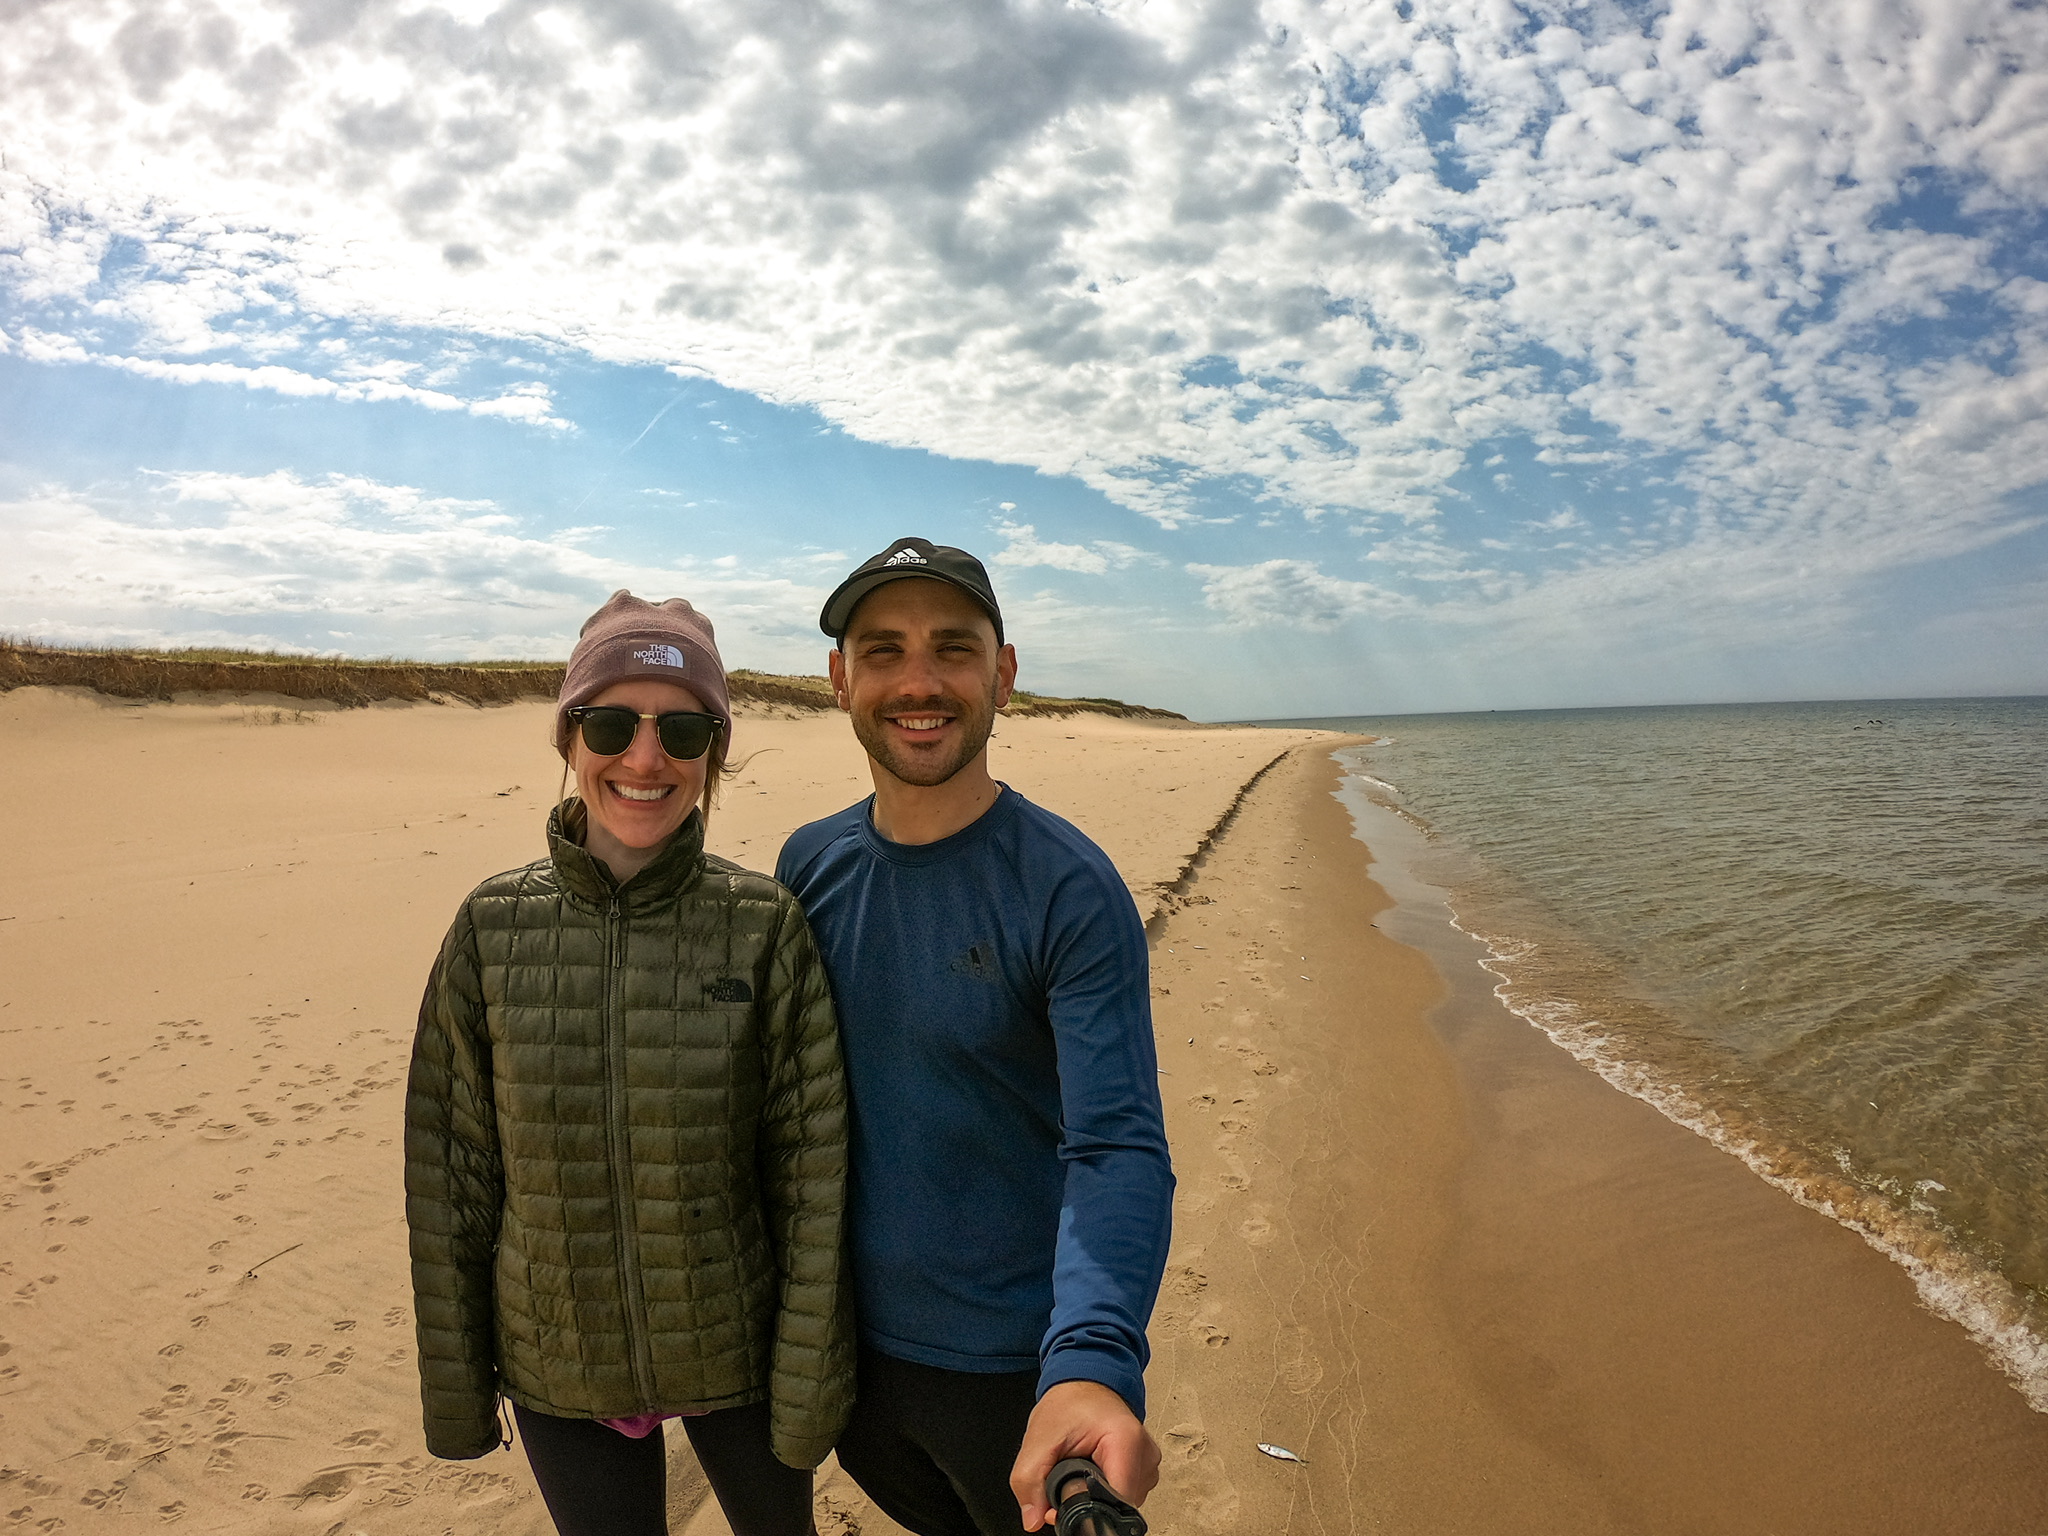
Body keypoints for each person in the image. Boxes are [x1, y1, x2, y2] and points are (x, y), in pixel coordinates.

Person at [405, 590, 852, 1536]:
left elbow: (812, 1183)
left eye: (683, 731)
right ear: (570, 738)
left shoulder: (765, 926)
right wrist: (458, 1396)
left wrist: (808, 1382)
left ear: (713, 753)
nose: (646, 759)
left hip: (740, 1353)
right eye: (612, 724)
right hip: (560, 1359)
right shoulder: (491, 929)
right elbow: (451, 1180)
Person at [775, 538, 1174, 1536]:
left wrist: (1090, 1364)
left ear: (1003, 674)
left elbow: (1117, 1145)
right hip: (851, 1365)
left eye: (953, 648)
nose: (918, 682)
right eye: (883, 650)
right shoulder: (806, 866)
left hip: (1017, 1375)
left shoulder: (1068, 889)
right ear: (839, 680)